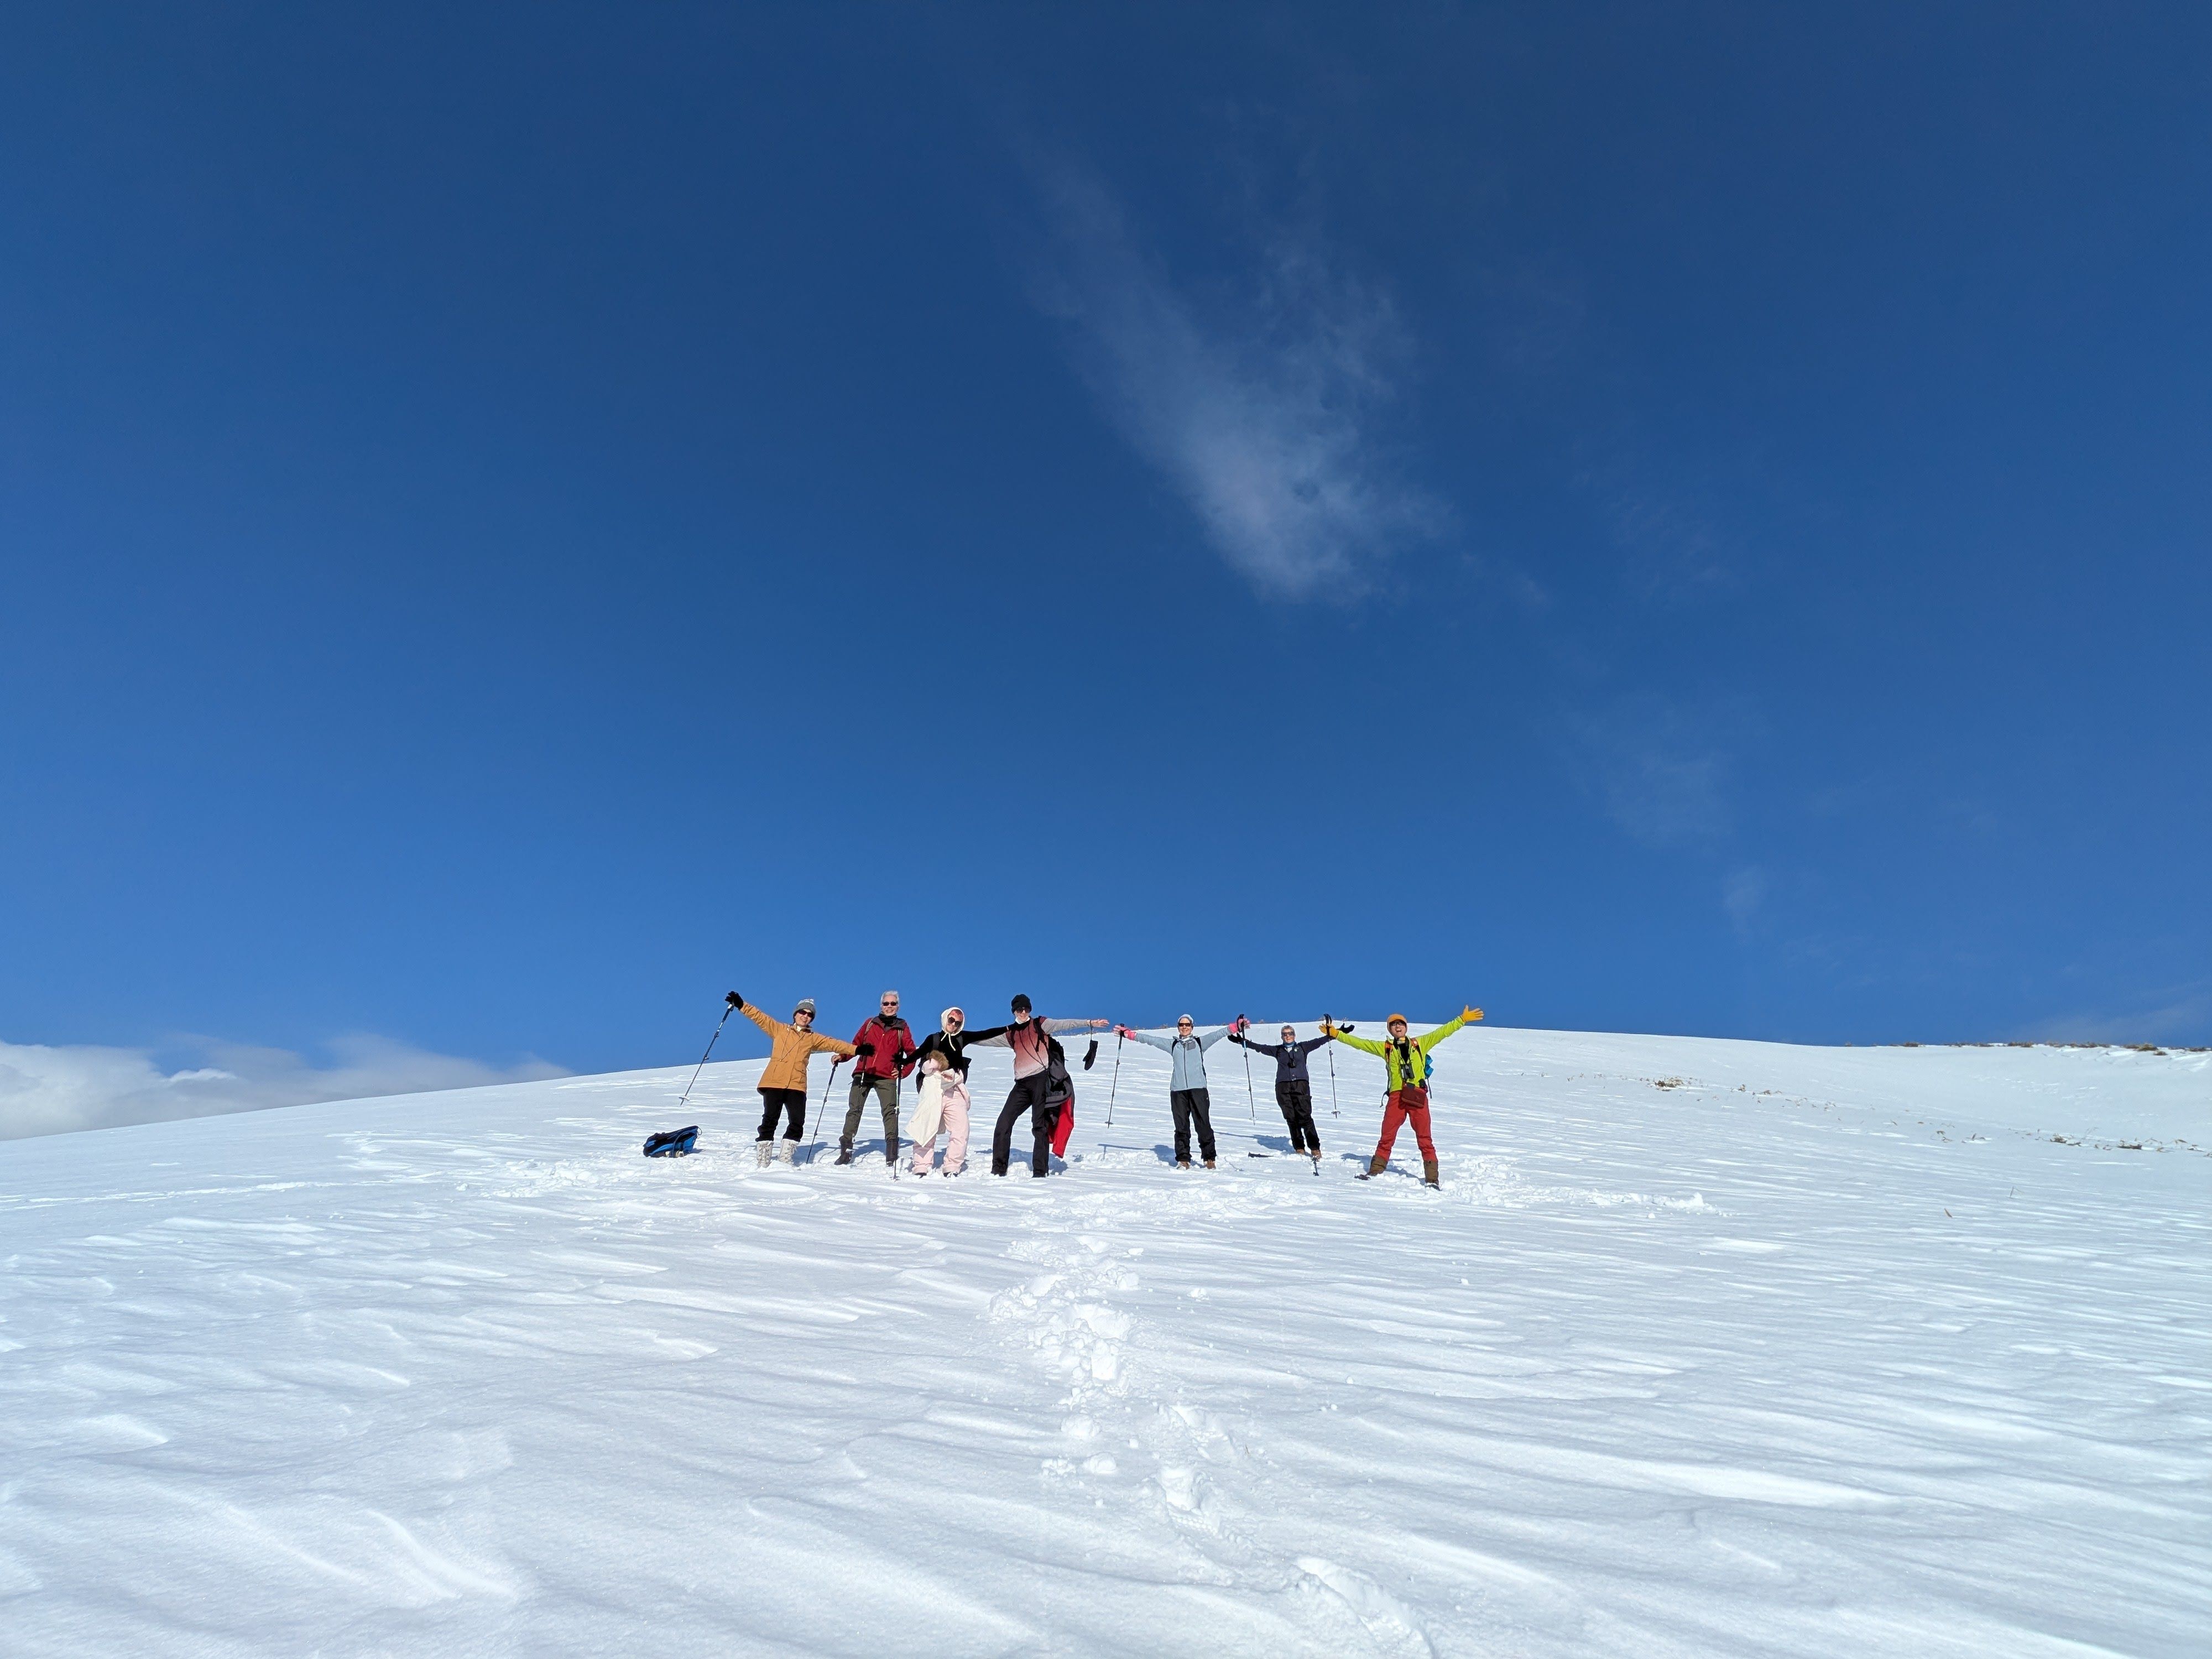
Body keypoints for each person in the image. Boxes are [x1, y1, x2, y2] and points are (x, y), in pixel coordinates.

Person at [1326, 1006, 1483, 1187]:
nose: (1398, 1026)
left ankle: (1432, 1179)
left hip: (1417, 1096)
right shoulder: (1386, 1048)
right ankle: (1376, 1170)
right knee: (1387, 1134)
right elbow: (1360, 1043)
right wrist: (1337, 1034)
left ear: (1406, 1027)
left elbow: (1443, 1032)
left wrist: (1461, 1019)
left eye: (1401, 1023)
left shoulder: (1420, 1044)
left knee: (1425, 1138)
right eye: (1393, 1025)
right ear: (1390, 1030)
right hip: (1396, 1098)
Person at [968, 994, 1109, 1178]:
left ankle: (1040, 1172)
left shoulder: (1040, 1024)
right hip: (1021, 1084)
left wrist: (1090, 1023)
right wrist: (962, 1037)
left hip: (1041, 1080)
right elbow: (986, 1039)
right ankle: (998, 1169)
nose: (1024, 1012)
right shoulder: (1010, 1034)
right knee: (1003, 1123)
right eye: (1020, 1009)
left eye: (1026, 1009)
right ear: (1014, 1011)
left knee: (1039, 1126)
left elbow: (1064, 1024)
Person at [729, 992, 858, 1166]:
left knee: (797, 1121)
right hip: (774, 1082)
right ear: (795, 1014)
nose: (805, 1016)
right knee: (770, 1119)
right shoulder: (779, 1029)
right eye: (803, 1013)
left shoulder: (812, 1039)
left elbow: (834, 1044)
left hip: (797, 1085)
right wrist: (741, 1004)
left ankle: (785, 1157)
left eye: (809, 1015)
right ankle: (764, 1158)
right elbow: (759, 1017)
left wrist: (857, 1050)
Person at [1117, 1014, 1234, 1169]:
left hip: (1198, 1089)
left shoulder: (1200, 1043)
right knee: (1181, 1127)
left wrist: (1236, 1027)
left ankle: (1209, 1158)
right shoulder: (1173, 1045)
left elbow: (1219, 1034)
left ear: (1192, 1027)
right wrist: (1130, 1035)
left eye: (1187, 1025)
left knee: (1203, 1125)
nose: (1184, 1027)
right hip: (1178, 1091)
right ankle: (1183, 1159)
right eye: (1181, 1025)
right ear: (1178, 1027)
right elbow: (1152, 1040)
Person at [1229, 1021, 1336, 1163]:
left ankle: (1315, 1148)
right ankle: (1299, 1147)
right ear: (1282, 1037)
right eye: (1285, 1034)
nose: (1288, 1036)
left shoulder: (1303, 1048)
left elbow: (1320, 1041)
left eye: (1290, 1034)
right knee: (1291, 1118)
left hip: (1301, 1086)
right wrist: (1244, 1042)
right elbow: (1261, 1048)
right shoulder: (1278, 1051)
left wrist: (1336, 1034)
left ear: (1294, 1035)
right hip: (1283, 1087)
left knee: (1305, 1117)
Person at [839, 989, 920, 1166]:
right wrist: (842, 1057)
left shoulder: (902, 1027)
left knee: (890, 1112)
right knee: (855, 1110)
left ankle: (891, 1153)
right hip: (864, 1072)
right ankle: (846, 1150)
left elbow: (912, 1054)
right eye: (886, 1004)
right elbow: (856, 1045)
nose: (889, 1007)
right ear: (881, 1005)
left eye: (893, 1004)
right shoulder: (870, 1023)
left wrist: (904, 1071)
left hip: (886, 1076)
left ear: (898, 1006)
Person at [905, 1048, 971, 1176]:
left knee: (962, 1129)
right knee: (926, 1127)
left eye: (956, 1026)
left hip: (955, 1091)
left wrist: (957, 1075)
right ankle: (922, 1164)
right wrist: (935, 1062)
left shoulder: (959, 1042)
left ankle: (953, 1165)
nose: (953, 1027)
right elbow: (924, 1067)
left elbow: (962, 1071)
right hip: (933, 1091)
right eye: (950, 1025)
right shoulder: (934, 1042)